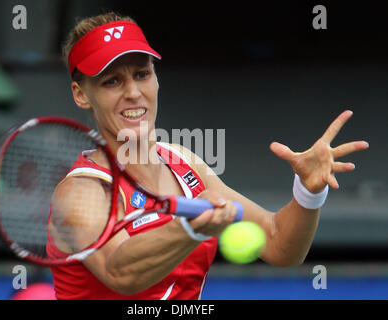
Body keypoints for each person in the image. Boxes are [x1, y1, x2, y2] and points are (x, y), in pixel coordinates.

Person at [46, 12, 369, 300]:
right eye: (111, 81)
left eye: (142, 74)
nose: (132, 92)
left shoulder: (185, 165)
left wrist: (309, 192)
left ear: (156, 78)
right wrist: (190, 229)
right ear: (81, 94)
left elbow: (279, 244)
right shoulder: (81, 193)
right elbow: (121, 274)